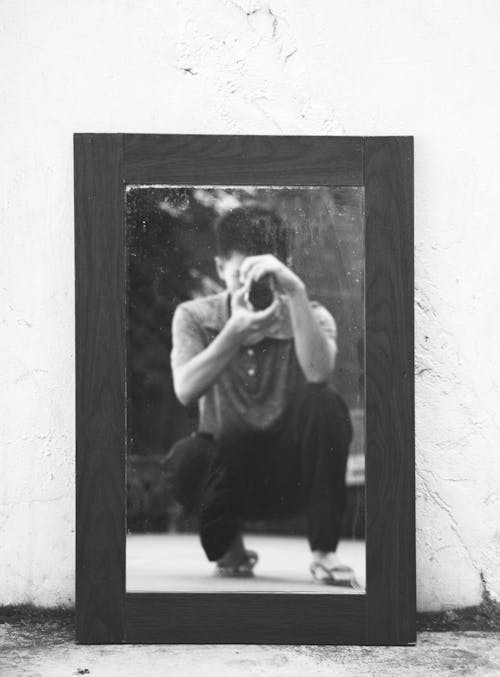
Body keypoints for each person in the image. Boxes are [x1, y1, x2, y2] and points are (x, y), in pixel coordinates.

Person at [163, 204, 355, 585]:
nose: (252, 287)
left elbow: (319, 374)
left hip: (291, 477)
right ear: (220, 269)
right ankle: (230, 547)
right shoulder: (196, 316)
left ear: (283, 266)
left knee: (327, 404)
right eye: (240, 275)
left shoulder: (311, 314)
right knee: (185, 458)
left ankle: (324, 553)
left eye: (262, 275)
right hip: (229, 473)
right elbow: (185, 389)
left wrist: (296, 294)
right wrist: (233, 332)